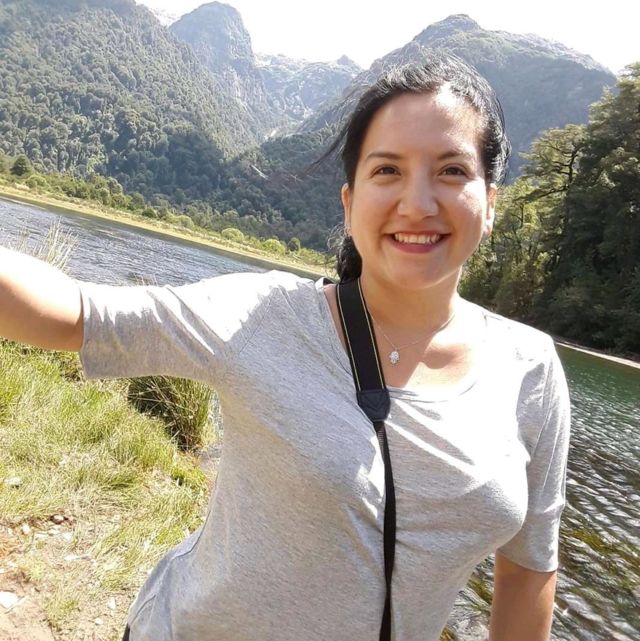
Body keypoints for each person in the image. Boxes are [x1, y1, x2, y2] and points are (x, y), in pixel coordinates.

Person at [0, 53, 571, 641]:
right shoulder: (266, 317)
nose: (418, 202)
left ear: (491, 202)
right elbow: (74, 313)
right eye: (387, 170)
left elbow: (530, 567)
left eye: (451, 170)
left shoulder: (531, 368)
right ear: (349, 204)